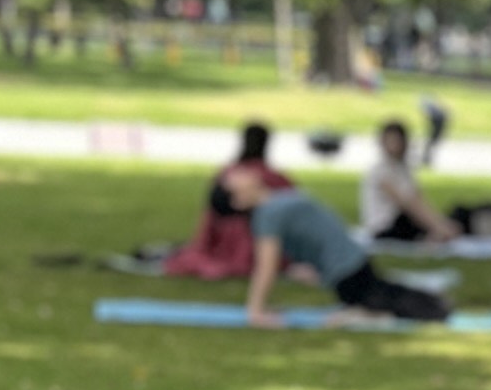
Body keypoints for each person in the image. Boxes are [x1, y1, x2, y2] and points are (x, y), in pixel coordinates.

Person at [243, 183, 449, 326]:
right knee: (381, 295)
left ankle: (431, 306)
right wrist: (256, 310)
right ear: (237, 201)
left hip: (350, 265)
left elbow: (272, 263)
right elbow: (267, 266)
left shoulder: (273, 206)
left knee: (382, 297)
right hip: (348, 267)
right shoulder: (268, 214)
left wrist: (256, 310)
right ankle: (432, 306)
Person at [163, 121, 290, 282]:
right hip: (259, 242)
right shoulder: (275, 178)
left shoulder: (226, 172)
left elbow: (210, 212)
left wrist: (203, 242)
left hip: (223, 241)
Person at [360, 118, 457, 247]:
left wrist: (440, 222)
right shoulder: (380, 171)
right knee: (413, 219)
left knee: (456, 213)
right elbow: (406, 203)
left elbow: (419, 200)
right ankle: (433, 235)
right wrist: (437, 226)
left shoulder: (403, 169)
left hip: (402, 219)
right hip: (386, 227)